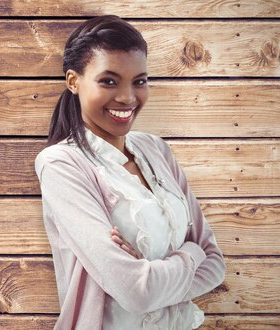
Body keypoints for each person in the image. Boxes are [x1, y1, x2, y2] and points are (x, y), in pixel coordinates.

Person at [34, 15, 225, 329]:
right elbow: (137, 293)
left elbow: (215, 263)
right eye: (108, 81)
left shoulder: (156, 150)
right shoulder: (61, 164)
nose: (127, 97)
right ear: (73, 81)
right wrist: (190, 255)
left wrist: (154, 275)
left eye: (139, 81)